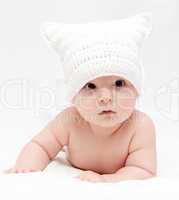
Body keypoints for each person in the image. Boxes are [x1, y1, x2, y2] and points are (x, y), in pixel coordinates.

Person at [4, 12, 157, 183]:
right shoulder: (70, 120)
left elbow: (143, 169)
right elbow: (41, 146)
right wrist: (27, 167)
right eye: (90, 86)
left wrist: (108, 180)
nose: (105, 98)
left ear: (136, 90)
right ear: (73, 96)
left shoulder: (140, 126)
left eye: (119, 83)